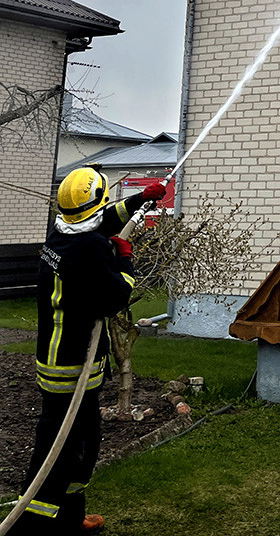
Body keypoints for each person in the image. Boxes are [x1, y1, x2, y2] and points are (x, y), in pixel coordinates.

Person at [9, 167, 166, 535]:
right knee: (58, 450)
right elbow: (117, 297)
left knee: (86, 440)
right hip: (71, 365)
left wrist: (142, 198)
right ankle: (32, 526)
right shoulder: (91, 249)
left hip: (63, 359)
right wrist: (125, 259)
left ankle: (70, 516)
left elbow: (101, 221)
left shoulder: (61, 233)